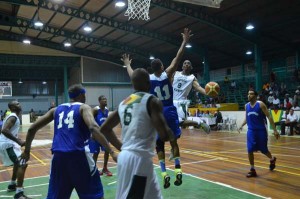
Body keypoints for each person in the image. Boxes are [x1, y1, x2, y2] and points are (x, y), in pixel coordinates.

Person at [20, 84, 121, 199]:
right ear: (82, 95)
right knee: (94, 196)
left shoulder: (56, 110)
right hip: (79, 155)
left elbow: (32, 128)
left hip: (58, 158)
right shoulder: (83, 107)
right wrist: (112, 152)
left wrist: (27, 151)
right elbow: (93, 127)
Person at [122, 28, 192, 188]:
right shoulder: (168, 73)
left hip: (156, 113)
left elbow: (133, 75)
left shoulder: (148, 79)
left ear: (152, 69)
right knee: (174, 141)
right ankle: (178, 170)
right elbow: (177, 58)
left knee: (159, 145)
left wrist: (127, 64)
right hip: (170, 110)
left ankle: (163, 173)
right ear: (161, 66)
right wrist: (184, 41)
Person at [100, 68, 174, 199]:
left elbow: (105, 129)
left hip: (127, 157)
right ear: (148, 83)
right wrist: (174, 127)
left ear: (132, 84)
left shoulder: (124, 102)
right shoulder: (152, 100)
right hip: (139, 160)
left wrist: (122, 148)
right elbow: (164, 135)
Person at [238, 89, 280, 178]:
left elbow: (269, 116)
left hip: (261, 131)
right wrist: (241, 125)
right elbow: (247, 117)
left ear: (256, 96)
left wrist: (275, 130)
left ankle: (272, 159)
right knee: (250, 149)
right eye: (248, 94)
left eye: (251, 94)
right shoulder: (246, 106)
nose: (249, 95)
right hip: (251, 131)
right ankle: (252, 169)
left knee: (263, 150)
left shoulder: (260, 104)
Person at [0, 101, 30, 199]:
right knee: (22, 164)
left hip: (9, 144)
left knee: (18, 163)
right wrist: (18, 141)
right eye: (17, 104)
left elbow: (9, 130)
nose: (19, 104)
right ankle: (19, 193)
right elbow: (4, 130)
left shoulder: (14, 116)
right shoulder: (13, 116)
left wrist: (17, 139)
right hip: (7, 145)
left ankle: (12, 185)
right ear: (12, 107)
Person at [172, 60, 210, 133]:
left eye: (188, 63)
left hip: (181, 102)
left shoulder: (192, 78)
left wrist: (208, 93)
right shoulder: (175, 73)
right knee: (168, 120)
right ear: (182, 66)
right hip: (171, 100)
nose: (186, 64)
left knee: (181, 123)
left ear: (191, 67)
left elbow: (198, 87)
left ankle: (200, 123)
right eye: (185, 63)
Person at [88, 95, 113, 176]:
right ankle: (94, 169)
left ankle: (105, 168)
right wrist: (92, 133)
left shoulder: (107, 110)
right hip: (96, 134)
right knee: (96, 153)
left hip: (105, 134)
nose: (105, 100)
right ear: (99, 101)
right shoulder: (95, 110)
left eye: (106, 99)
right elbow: (90, 121)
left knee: (107, 151)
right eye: (103, 99)